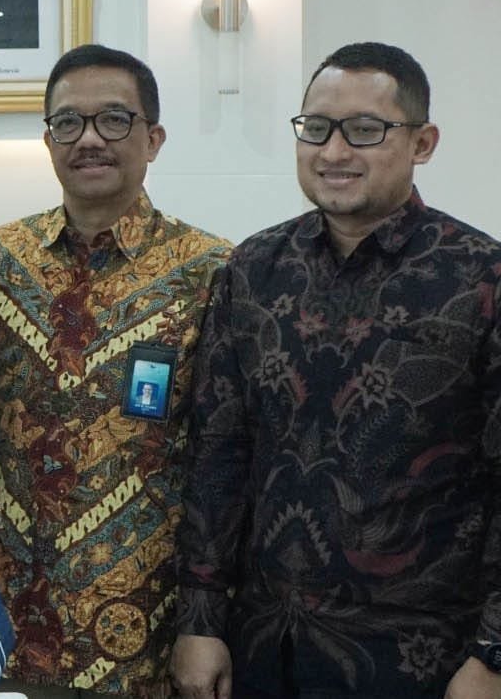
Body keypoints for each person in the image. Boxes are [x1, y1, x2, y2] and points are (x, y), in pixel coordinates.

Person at [173, 42, 501, 699]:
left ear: (423, 142)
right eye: (317, 128)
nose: (333, 151)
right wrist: (199, 622)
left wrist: (492, 655)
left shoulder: (481, 279)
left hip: (422, 657)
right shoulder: (253, 269)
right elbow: (218, 454)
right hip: (264, 647)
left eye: (364, 130)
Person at [0, 46, 230, 698]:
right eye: (68, 122)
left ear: (154, 138)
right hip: (4, 626)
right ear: (48, 140)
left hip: (149, 633)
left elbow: (227, 457)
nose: (89, 139)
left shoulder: (214, 273)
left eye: (114, 119)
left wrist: (208, 621)